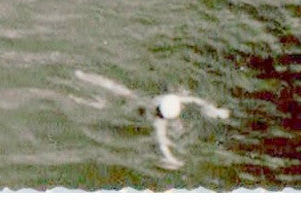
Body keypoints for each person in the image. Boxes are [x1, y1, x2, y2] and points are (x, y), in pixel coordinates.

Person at [73, 71, 231, 171]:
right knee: (107, 105)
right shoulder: (158, 122)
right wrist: (170, 158)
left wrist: (215, 110)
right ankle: (81, 99)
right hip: (137, 112)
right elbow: (162, 142)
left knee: (116, 88)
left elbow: (195, 100)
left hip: (139, 99)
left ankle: (83, 75)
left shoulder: (163, 100)